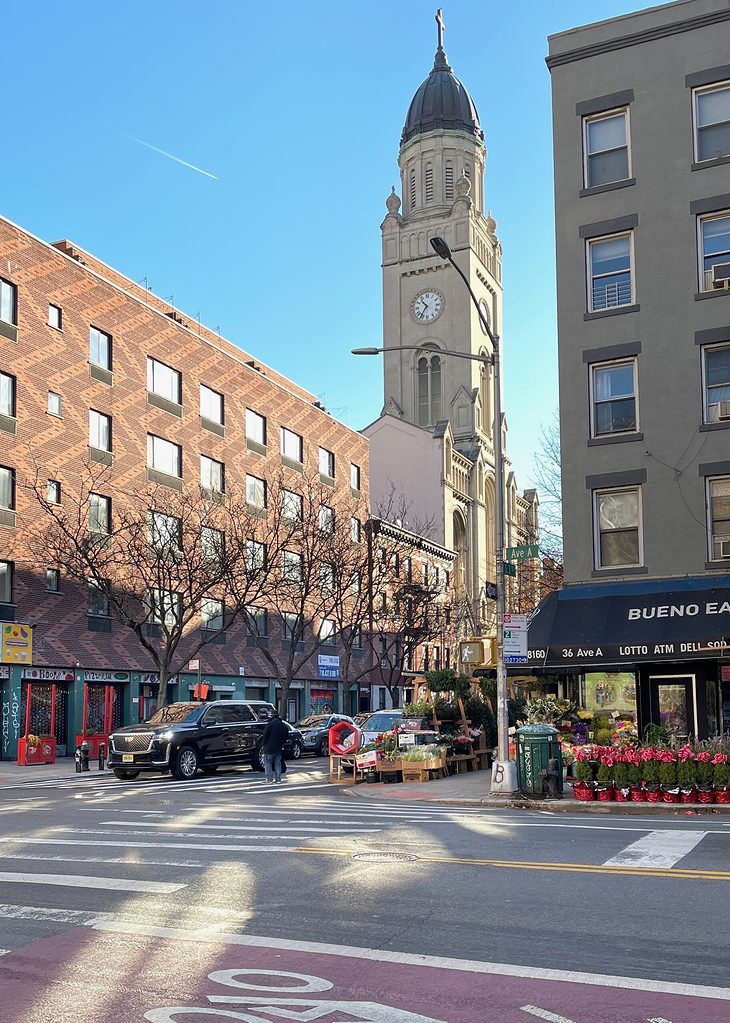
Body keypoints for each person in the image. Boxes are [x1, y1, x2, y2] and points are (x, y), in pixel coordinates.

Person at [261, 709, 289, 784]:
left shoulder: (269, 724)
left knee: (268, 763)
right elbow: (286, 736)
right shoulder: (283, 725)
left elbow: (265, 735)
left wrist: (265, 744)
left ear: (271, 716)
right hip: (278, 747)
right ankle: (278, 779)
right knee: (277, 763)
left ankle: (269, 779)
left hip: (269, 747)